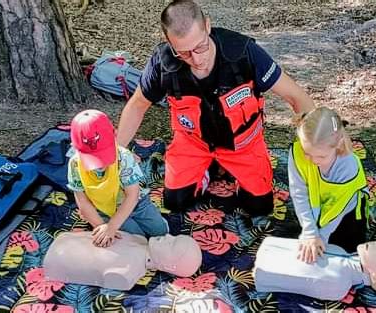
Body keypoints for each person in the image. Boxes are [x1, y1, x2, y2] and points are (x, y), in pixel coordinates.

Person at [116, 0, 315, 216]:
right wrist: (116, 152)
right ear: (169, 41)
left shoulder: (243, 52)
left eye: (200, 46)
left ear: (208, 26)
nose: (196, 59)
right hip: (193, 144)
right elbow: (137, 105)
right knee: (175, 201)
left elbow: (297, 97)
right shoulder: (162, 62)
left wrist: (314, 149)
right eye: (184, 52)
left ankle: (235, 174)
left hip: (243, 144)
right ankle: (208, 170)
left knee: (260, 207)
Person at [67, 109, 168, 248]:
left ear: (115, 136)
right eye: (93, 159)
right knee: (137, 241)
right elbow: (82, 202)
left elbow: (132, 195)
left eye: (103, 156)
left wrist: (112, 227)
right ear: (75, 148)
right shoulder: (75, 163)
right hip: (105, 210)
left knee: (160, 232)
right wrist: (104, 228)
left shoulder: (124, 157)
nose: (100, 165)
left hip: (137, 204)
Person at [288, 107, 369, 263]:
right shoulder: (297, 153)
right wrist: (310, 232)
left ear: (338, 145)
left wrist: (321, 237)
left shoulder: (348, 166)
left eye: (321, 156)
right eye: (307, 153)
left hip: (345, 213)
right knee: (306, 246)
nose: (312, 160)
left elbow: (339, 208)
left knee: (348, 253)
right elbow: (299, 194)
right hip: (317, 207)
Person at [253, 236, 376, 300]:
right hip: (267, 251)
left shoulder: (338, 285)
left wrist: (264, 275)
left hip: (261, 272)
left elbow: (295, 280)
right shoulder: (341, 253)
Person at [43, 231, 202, 290]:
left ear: (168, 265)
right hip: (65, 242)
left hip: (56, 260)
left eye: (172, 244)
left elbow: (110, 276)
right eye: (174, 237)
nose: (167, 236)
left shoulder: (128, 274)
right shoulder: (139, 239)